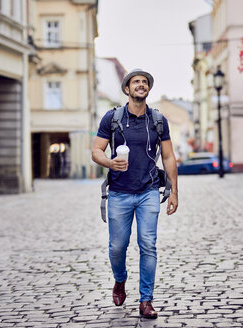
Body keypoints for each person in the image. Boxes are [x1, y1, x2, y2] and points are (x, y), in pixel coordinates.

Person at [91, 69, 178, 319]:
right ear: (127, 90)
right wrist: (110, 163)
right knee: (117, 247)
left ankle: (146, 300)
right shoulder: (113, 118)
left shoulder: (158, 120)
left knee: (148, 244)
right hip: (118, 193)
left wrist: (174, 191)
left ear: (148, 90)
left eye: (145, 82)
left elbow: (170, 156)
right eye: (135, 82)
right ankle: (120, 280)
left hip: (149, 191)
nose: (141, 84)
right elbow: (96, 150)